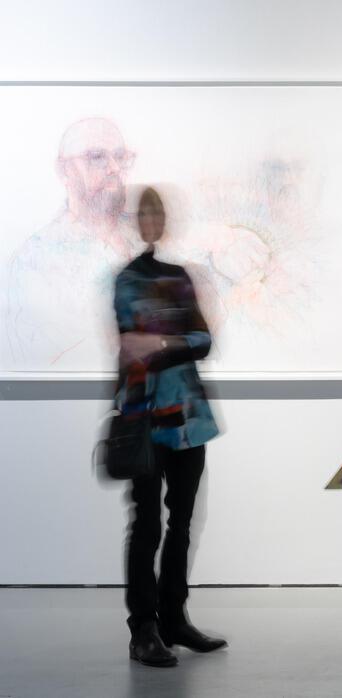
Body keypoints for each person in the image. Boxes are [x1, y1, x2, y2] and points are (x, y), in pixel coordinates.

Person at [114, 186, 225, 668]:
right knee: (147, 526)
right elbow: (132, 339)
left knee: (181, 522)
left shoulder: (180, 277)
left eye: (159, 211)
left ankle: (173, 617)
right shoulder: (126, 280)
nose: (152, 218)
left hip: (188, 421)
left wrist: (160, 342)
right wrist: (172, 339)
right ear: (135, 220)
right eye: (145, 211)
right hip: (143, 418)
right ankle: (143, 630)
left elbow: (204, 340)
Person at [6, 118, 144, 370]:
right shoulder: (35, 259)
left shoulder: (146, 238)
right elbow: (42, 358)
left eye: (120, 156)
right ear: (63, 170)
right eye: (96, 157)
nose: (114, 167)